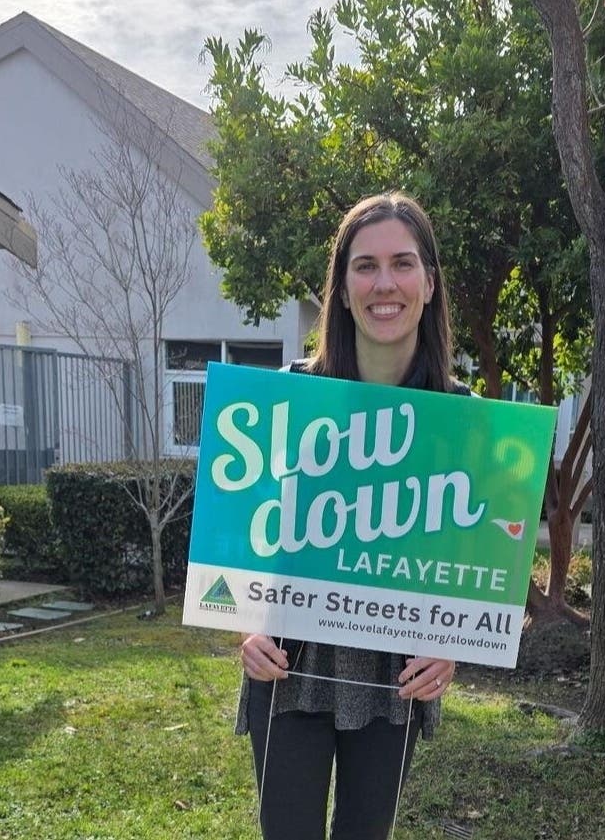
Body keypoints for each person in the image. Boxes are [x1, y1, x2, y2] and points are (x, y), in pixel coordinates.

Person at [235, 191, 470, 839]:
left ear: (428, 281)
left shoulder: (461, 418)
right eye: (364, 266)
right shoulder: (287, 400)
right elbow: (241, 545)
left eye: (401, 263)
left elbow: (469, 562)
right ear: (341, 288)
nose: (383, 283)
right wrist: (243, 625)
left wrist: (451, 644)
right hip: (289, 669)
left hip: (393, 680)